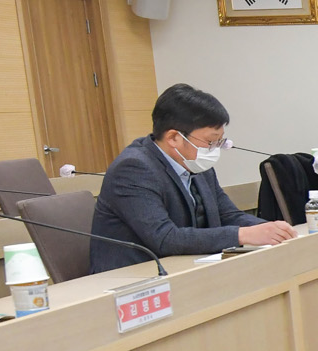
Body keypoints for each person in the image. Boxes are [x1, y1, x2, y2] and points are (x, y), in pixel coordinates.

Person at [90, 83, 296, 271]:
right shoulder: (133, 169)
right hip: (135, 279)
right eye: (210, 142)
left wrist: (271, 229)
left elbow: (228, 214)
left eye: (219, 141)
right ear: (174, 138)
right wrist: (243, 234)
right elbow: (165, 237)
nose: (214, 149)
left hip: (187, 267)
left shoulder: (196, 163)